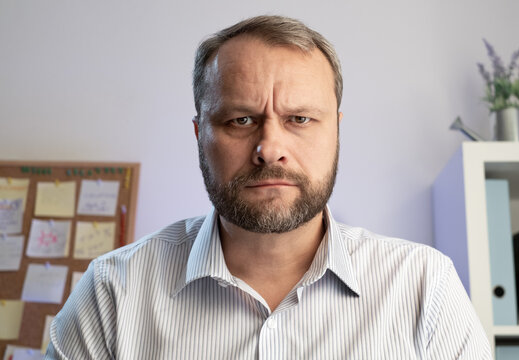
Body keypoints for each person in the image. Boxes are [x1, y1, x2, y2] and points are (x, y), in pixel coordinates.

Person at [46, 15, 492, 359]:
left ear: (336, 131)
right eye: (241, 120)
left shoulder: (424, 288)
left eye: (300, 119)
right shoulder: (111, 294)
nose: (269, 148)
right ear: (200, 134)